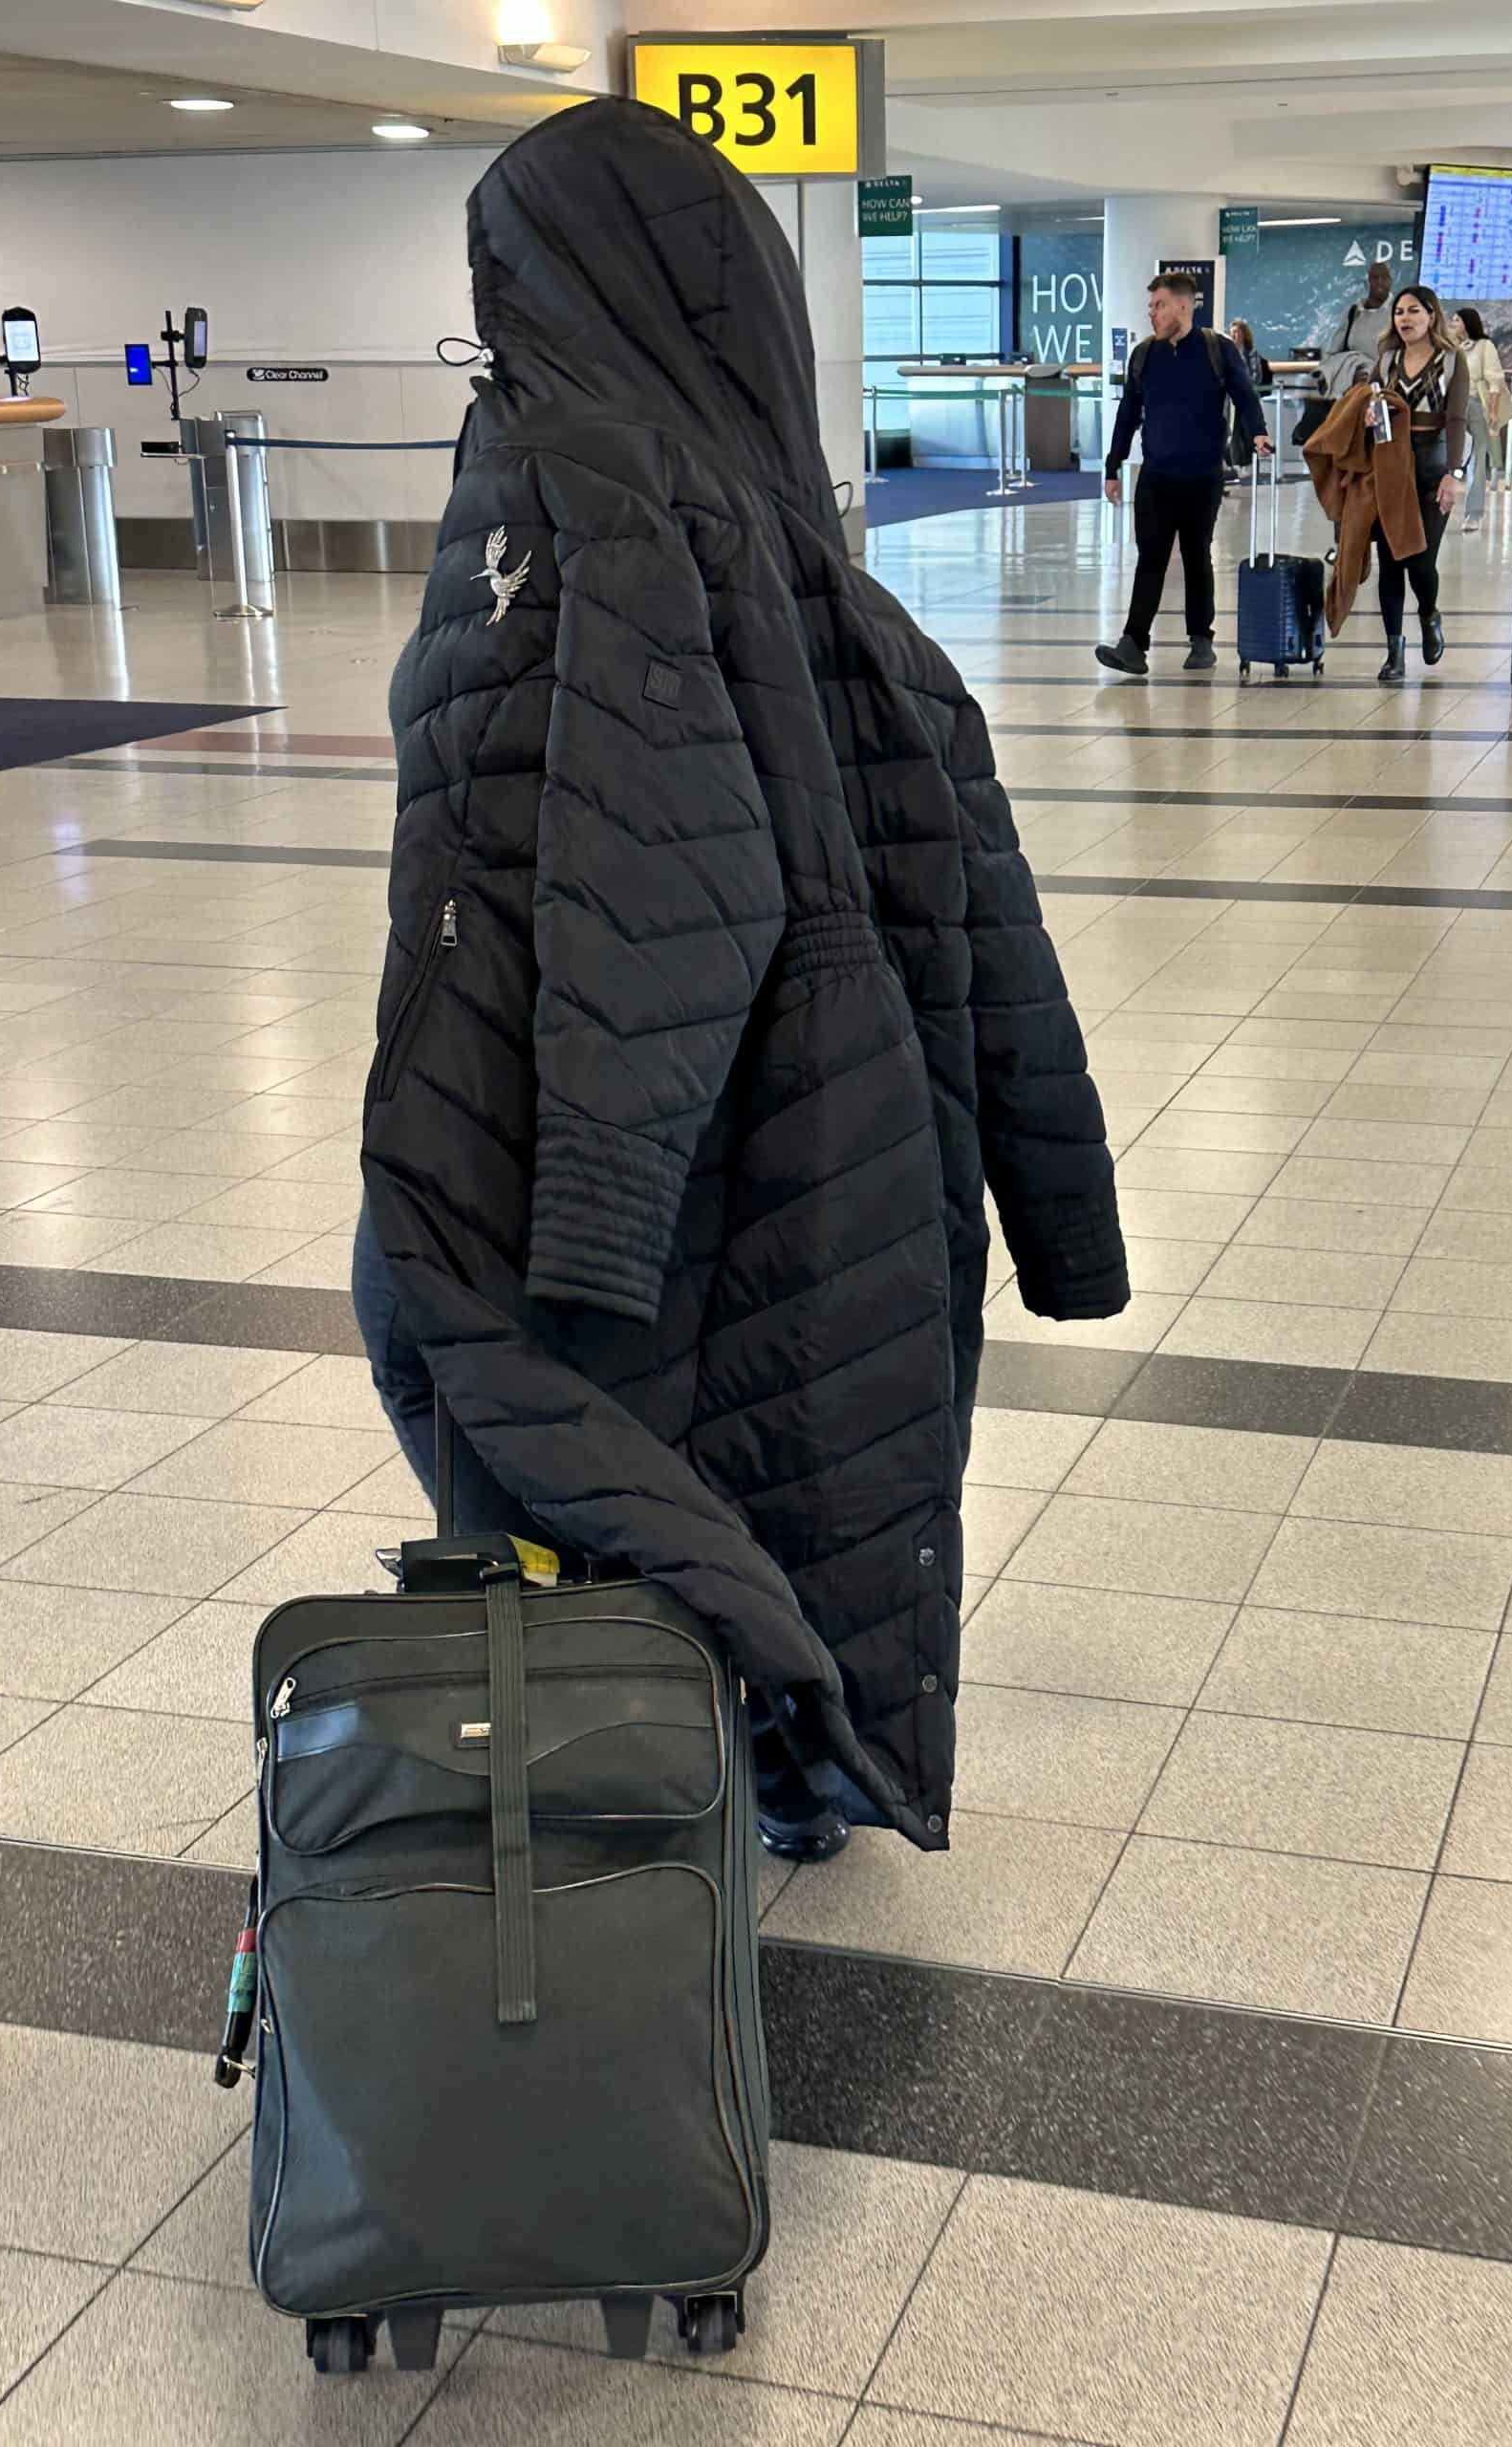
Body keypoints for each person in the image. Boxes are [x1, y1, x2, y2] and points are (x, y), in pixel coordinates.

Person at [354, 96, 1129, 1866]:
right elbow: (975, 874)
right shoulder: (786, 518)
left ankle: (662, 1758)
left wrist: (603, 1200)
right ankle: (795, 1765)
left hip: (603, 1098)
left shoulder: (572, 479)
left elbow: (647, 856)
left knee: (485, 1374)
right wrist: (1058, 1223)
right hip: (858, 1109)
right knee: (819, 1433)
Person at [1096, 272, 1271, 677]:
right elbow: (1127, 415)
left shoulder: (1217, 349)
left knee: (1197, 556)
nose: (1152, 314)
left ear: (1183, 305)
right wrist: (1113, 466)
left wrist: (1258, 432)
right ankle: (1133, 643)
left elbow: (1244, 396)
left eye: (1159, 305)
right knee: (1150, 559)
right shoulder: (1144, 356)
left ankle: (1201, 639)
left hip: (1202, 475)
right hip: (1156, 475)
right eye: (1151, 307)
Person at [1372, 285, 1470, 686]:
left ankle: (1429, 613)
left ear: (1431, 316)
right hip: (1393, 468)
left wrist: (1453, 473)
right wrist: (1370, 422)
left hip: (1433, 465)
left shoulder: (1451, 360)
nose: (1405, 319)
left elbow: (1457, 419)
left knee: (1421, 561)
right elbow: (1377, 415)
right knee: (1391, 561)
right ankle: (1394, 650)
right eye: (1399, 312)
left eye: (1413, 311)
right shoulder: (1387, 361)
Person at [1449, 307, 1509, 531]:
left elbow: (1495, 381)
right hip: (1452, 406)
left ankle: (1474, 513)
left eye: (1456, 319)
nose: (1452, 322)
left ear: (1467, 322)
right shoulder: (1450, 347)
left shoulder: (1484, 347)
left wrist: (1492, 412)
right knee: (1446, 457)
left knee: (1477, 460)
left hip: (1475, 405)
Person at [1224, 318, 1273, 480]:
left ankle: (1248, 467)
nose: (1233, 335)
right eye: (1231, 332)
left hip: (1246, 399)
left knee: (1247, 431)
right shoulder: (1226, 353)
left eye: (1236, 332)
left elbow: (1255, 376)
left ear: (1244, 334)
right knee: (1233, 433)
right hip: (1230, 400)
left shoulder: (1252, 354)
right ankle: (1235, 466)